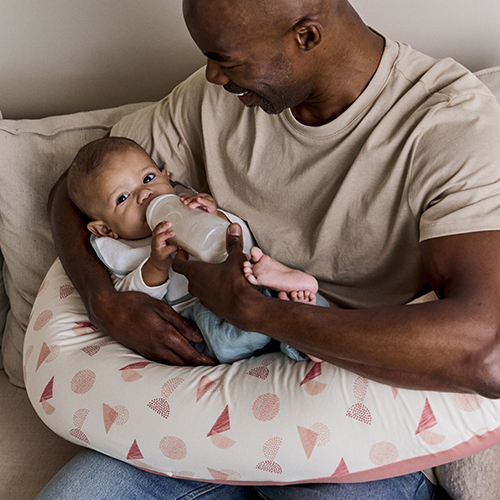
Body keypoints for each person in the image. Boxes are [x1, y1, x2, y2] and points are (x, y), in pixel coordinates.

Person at [39, 0, 500, 498]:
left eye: (226, 60)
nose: (213, 75)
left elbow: (488, 352)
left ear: (306, 36)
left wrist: (251, 310)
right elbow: (73, 186)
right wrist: (102, 300)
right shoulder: (214, 98)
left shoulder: (448, 126)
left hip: (343, 418)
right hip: (210, 392)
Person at [66, 135, 323, 363]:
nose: (144, 194)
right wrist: (157, 265)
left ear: (166, 177)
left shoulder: (188, 206)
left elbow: (236, 235)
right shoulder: (123, 249)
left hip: (246, 279)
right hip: (204, 315)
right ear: (105, 230)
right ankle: (300, 331)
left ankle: (298, 308)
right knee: (225, 340)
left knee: (283, 310)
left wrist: (215, 216)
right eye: (122, 198)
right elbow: (130, 301)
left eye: (148, 178)